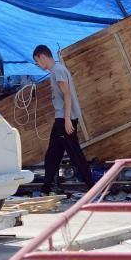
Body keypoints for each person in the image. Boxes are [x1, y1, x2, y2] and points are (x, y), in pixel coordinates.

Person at [32, 44, 94, 194]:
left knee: (75, 154)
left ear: (42, 56)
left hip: (65, 119)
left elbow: (67, 94)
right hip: (60, 118)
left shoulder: (58, 70)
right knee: (52, 154)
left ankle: (93, 187)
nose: (38, 65)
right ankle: (46, 188)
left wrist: (67, 118)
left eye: (37, 61)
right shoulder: (56, 70)